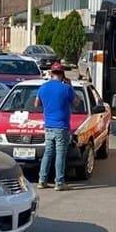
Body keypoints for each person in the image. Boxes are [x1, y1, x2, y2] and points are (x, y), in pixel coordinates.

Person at [35, 62, 77, 191]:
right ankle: (59, 182)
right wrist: (70, 86)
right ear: (63, 75)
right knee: (60, 155)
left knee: (48, 153)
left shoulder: (43, 87)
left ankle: (42, 180)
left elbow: (36, 103)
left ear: (51, 73)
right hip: (62, 126)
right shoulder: (66, 89)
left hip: (48, 126)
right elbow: (76, 102)